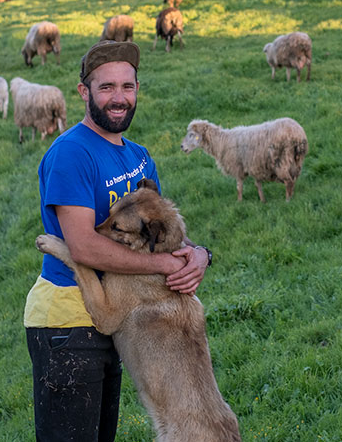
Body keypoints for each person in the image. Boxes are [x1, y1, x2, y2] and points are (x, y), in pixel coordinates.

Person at [24, 40, 211, 442]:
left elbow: (163, 236)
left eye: (127, 87)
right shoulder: (72, 153)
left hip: (118, 320)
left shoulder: (139, 157)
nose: (119, 98)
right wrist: (164, 266)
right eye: (106, 87)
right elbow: (84, 248)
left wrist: (198, 254)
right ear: (83, 92)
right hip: (68, 322)